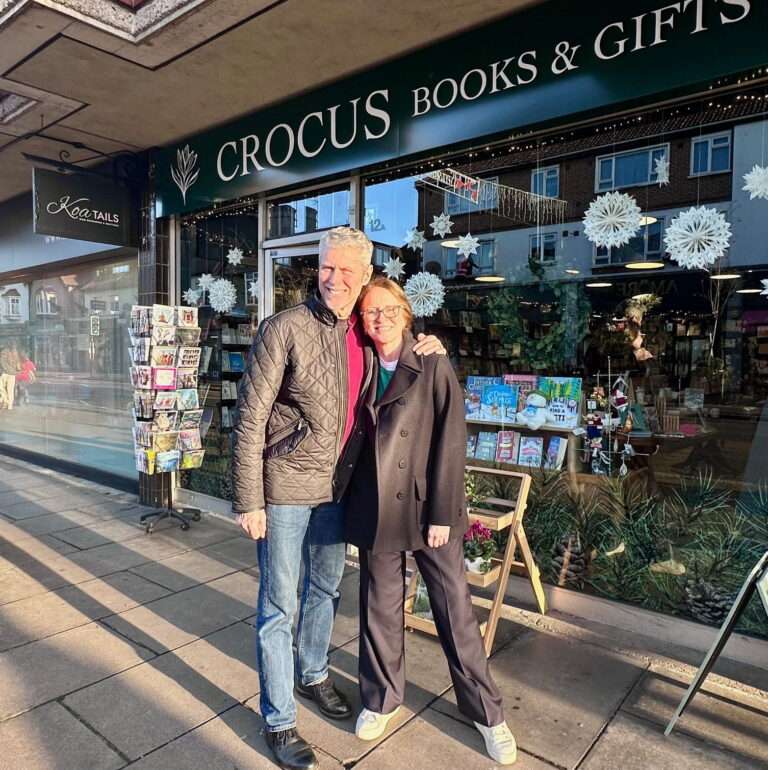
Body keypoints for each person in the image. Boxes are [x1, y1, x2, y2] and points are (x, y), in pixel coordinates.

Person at [232, 227, 444, 770]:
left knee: (325, 589)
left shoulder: (366, 332)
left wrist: (430, 344)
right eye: (328, 266)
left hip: (337, 489)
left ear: (365, 276)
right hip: (284, 487)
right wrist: (248, 500)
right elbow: (250, 418)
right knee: (279, 604)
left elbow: (399, 352)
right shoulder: (283, 328)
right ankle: (279, 720)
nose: (334, 278)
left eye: (347, 270)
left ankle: (312, 674)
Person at [346, 276, 517, 766]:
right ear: (361, 320)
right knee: (379, 606)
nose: (380, 318)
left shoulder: (432, 361)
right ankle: (381, 700)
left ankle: (488, 714)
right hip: (375, 502)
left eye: (388, 309)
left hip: (425, 508)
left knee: (454, 609)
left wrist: (443, 511)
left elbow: (451, 440)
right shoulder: (358, 360)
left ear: (405, 312)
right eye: (371, 311)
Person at [0, 344, 18, 410]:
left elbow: (2, 362)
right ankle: (9, 405)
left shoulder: (4, 351)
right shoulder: (15, 353)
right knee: (10, 390)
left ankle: (6, 401)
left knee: (1, 388)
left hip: (5, 373)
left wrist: (5, 369)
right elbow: (17, 363)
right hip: (12, 373)